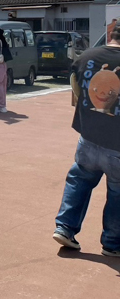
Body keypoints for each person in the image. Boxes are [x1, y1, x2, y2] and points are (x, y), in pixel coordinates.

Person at [53, 22, 120, 257]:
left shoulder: (86, 56)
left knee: (79, 180)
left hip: (88, 136)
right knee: (117, 193)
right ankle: (112, 244)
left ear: (111, 33)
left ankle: (65, 228)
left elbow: (76, 91)